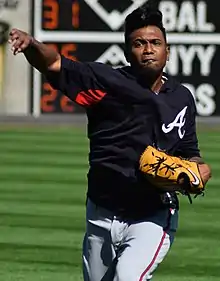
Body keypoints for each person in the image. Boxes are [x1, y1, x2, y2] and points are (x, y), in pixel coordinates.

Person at [8, 4, 211, 281]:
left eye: (155, 43)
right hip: (101, 212)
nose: (148, 49)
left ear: (167, 50)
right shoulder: (106, 81)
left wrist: (200, 169)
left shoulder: (181, 98)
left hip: (152, 215)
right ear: (128, 52)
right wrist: (31, 44)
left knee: (127, 277)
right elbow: (55, 64)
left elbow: (190, 152)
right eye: (139, 43)